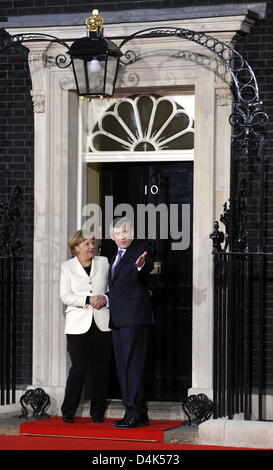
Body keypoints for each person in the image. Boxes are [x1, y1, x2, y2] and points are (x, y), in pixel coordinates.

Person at [104, 217, 155, 428]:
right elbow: (116, 288)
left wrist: (143, 265)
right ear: (112, 236)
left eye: (125, 232)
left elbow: (146, 265)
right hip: (118, 319)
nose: (122, 236)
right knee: (124, 366)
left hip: (134, 318)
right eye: (117, 233)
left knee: (132, 366)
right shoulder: (114, 255)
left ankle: (133, 412)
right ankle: (136, 412)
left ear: (132, 233)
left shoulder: (139, 251)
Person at [60, 230, 110, 424]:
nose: (92, 247)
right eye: (87, 244)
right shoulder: (67, 267)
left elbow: (111, 289)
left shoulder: (103, 262)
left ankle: (97, 413)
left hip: (101, 322)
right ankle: (68, 410)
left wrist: (104, 298)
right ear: (76, 248)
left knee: (100, 369)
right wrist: (88, 299)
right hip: (77, 326)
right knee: (79, 368)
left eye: (92, 243)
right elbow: (65, 296)